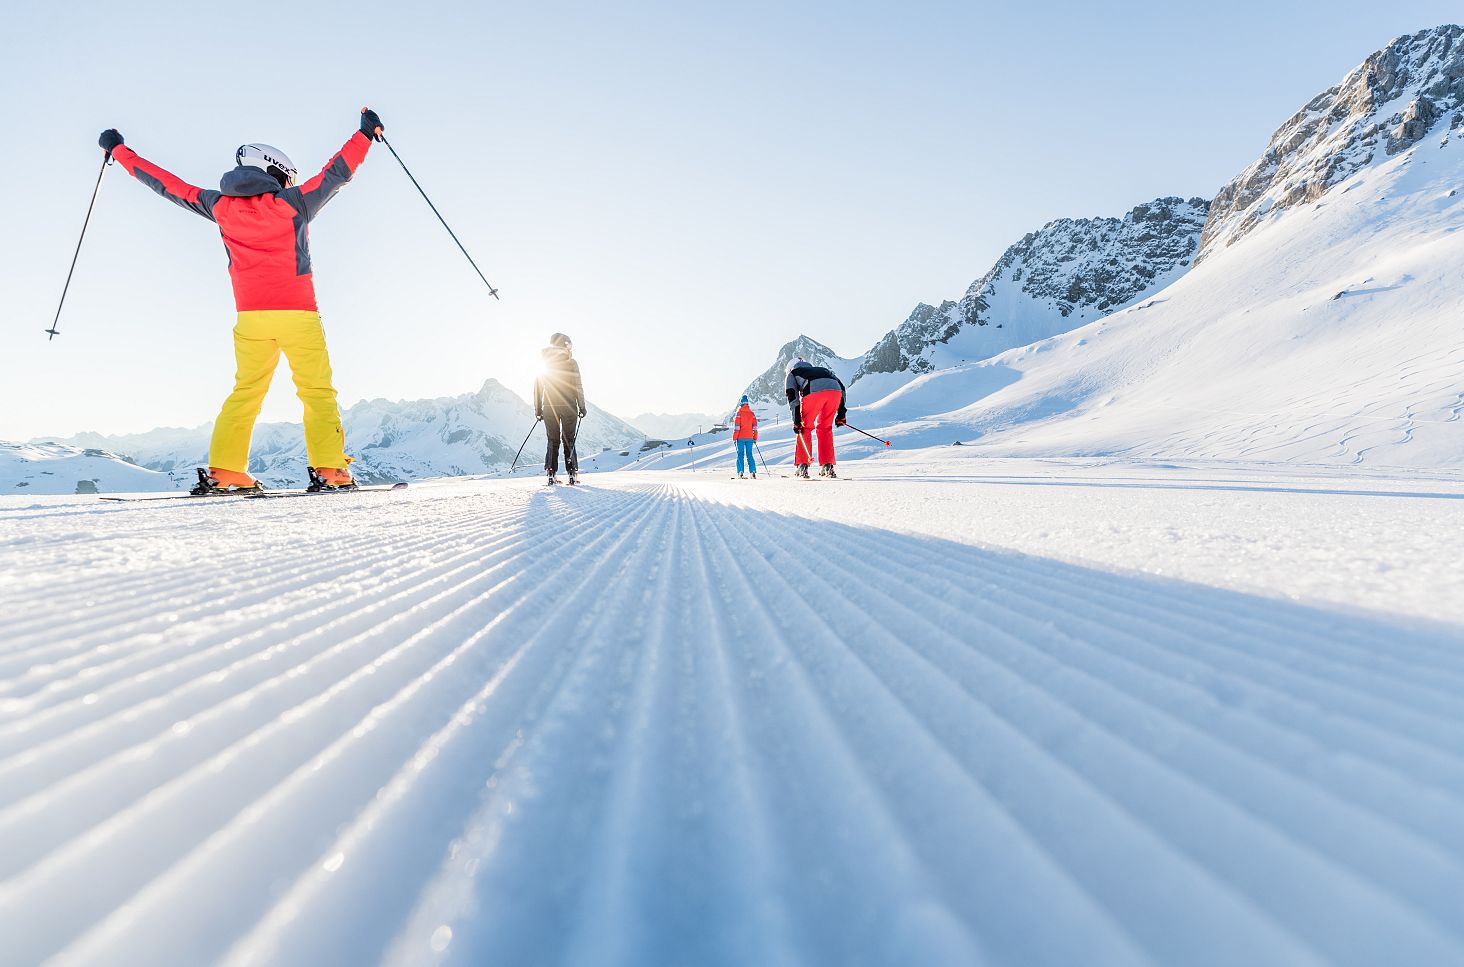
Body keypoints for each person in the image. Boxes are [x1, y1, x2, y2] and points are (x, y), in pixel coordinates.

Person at [98, 108, 383, 492]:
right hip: (298, 314)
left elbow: (165, 184)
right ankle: (331, 470)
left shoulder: (218, 206)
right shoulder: (293, 203)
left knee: (246, 392)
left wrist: (118, 150)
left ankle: (228, 471)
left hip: (251, 318)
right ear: (275, 172)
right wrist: (365, 133)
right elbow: (337, 173)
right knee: (316, 392)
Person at [533, 332, 586, 485]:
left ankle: (551, 473)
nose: (570, 348)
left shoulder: (544, 362)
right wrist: (582, 406)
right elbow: (578, 386)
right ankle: (572, 473)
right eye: (569, 345)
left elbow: (538, 388)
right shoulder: (572, 363)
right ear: (564, 345)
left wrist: (538, 410)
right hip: (569, 407)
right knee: (569, 440)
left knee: (552, 440)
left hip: (550, 407)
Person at [784, 356, 847, 478]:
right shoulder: (824, 370)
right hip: (835, 392)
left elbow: (792, 397)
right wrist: (841, 414)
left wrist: (797, 421)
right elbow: (842, 388)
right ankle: (827, 465)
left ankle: (802, 465)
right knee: (825, 428)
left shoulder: (792, 373)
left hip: (813, 391)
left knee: (805, 427)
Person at [732, 394, 758, 478]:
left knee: (740, 455)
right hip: (750, 438)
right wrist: (755, 437)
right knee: (749, 454)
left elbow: (737, 428)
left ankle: (740, 472)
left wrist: (734, 437)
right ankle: (752, 471)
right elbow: (755, 428)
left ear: (741, 403)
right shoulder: (752, 414)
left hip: (740, 438)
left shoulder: (739, 413)